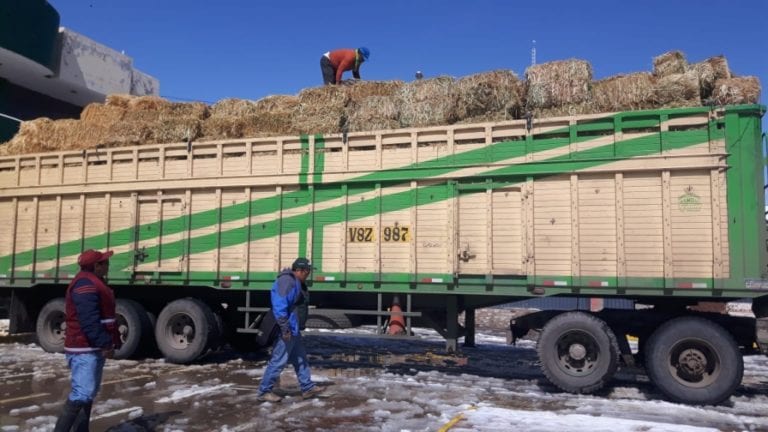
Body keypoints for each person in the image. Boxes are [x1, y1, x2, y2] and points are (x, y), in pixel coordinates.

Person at [54, 249, 121, 432]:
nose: (108, 265)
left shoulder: (93, 281)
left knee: (87, 395)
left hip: (91, 347)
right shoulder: (85, 284)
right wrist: (105, 343)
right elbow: (89, 321)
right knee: (81, 394)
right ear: (96, 266)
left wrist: (112, 340)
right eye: (105, 262)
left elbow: (104, 317)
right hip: (83, 348)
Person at [257, 258, 322, 402]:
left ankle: (307, 387)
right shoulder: (287, 281)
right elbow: (280, 307)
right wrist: (285, 328)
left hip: (293, 328)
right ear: (299, 271)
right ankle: (264, 391)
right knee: (279, 360)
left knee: (300, 359)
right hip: (286, 330)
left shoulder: (295, 282)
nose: (308, 275)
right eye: (307, 272)